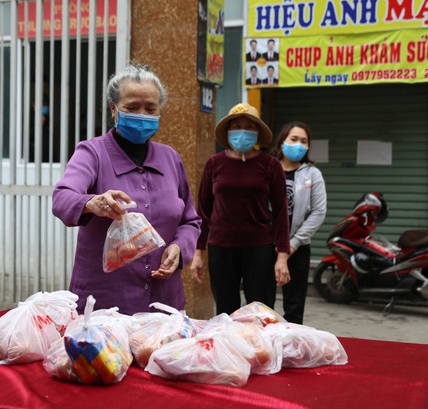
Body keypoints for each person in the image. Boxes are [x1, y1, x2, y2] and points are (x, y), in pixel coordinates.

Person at [52, 63, 201, 315]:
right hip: (105, 304)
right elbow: (62, 198)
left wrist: (179, 248)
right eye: (132, 107)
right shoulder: (92, 152)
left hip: (163, 303)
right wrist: (93, 203)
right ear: (113, 108)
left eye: (150, 108)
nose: (142, 114)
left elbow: (190, 220)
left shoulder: (170, 158)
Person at [190, 102, 290, 315]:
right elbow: (203, 211)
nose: (242, 131)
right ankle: (230, 349)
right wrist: (198, 252)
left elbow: (282, 213)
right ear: (227, 132)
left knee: (261, 312)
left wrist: (282, 256)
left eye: (249, 126)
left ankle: (261, 349)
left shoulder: (270, 165)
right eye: (236, 126)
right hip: (221, 248)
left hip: (260, 247)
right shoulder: (214, 163)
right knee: (226, 312)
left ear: (257, 132)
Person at [271, 121, 327, 324]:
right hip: (265, 245)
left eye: (304, 141)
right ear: (282, 141)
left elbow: (319, 212)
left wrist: (292, 244)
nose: (299, 145)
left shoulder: (312, 174)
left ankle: (292, 351)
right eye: (293, 139)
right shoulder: (268, 168)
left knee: (294, 308)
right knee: (262, 306)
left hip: (298, 248)